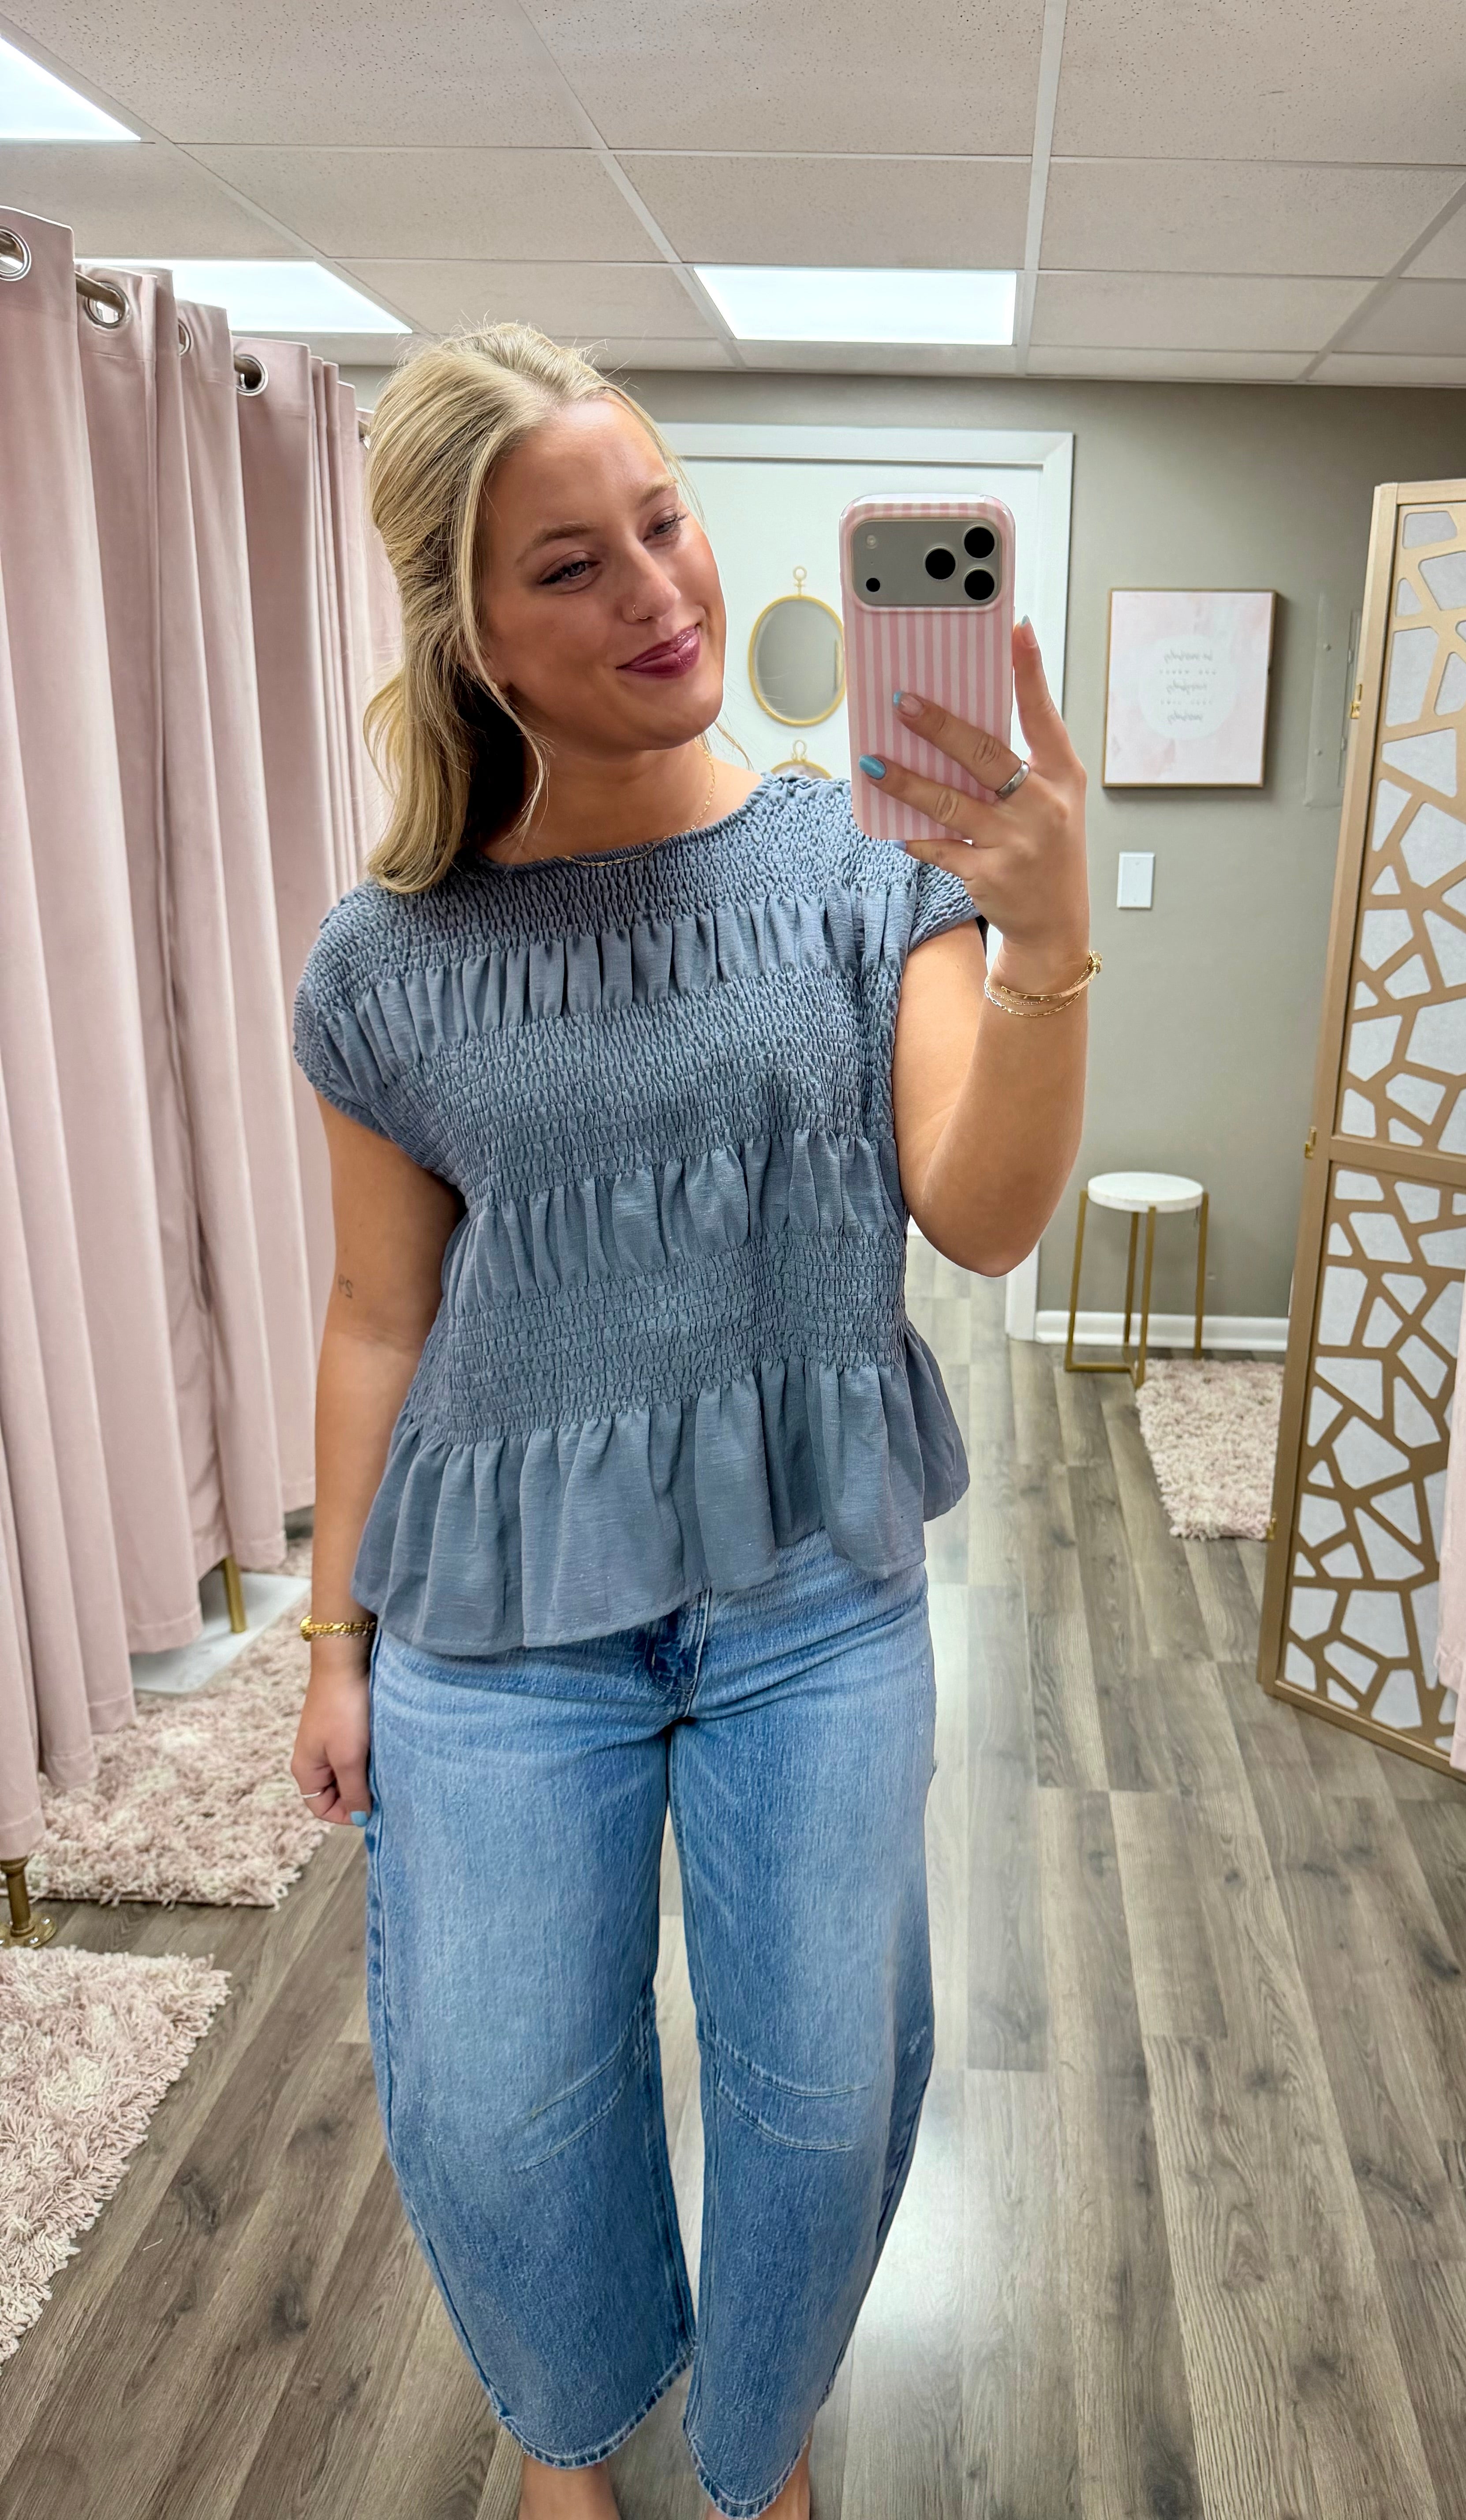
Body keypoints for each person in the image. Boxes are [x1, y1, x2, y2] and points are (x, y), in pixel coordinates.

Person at [288, 326, 1092, 2520]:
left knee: (822, 2099)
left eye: (663, 521)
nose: (658, 592)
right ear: (471, 633)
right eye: (573, 565)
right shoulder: (386, 958)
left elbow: (982, 1213)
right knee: (497, 2102)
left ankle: (758, 2446)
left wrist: (1043, 948)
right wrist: (335, 1644)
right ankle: (569, 2433)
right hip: (498, 1619)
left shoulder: (872, 871)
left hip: (805, 1596)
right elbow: (378, 1314)